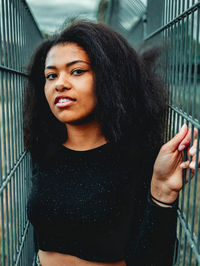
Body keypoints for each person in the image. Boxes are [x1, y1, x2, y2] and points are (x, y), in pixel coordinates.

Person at [23, 21, 199, 266]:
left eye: (77, 71)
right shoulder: (45, 149)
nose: (59, 83)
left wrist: (162, 191)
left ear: (109, 77)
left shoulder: (137, 155)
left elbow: (154, 257)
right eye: (51, 75)